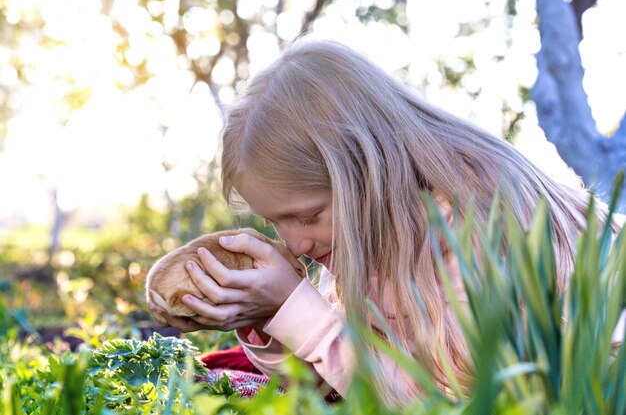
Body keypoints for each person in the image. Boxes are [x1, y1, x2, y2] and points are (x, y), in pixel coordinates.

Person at [148, 39, 618, 406]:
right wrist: (271, 319)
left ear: (369, 171)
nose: (295, 243)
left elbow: (438, 401)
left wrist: (298, 312)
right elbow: (331, 381)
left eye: (308, 215)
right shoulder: (378, 229)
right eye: (275, 222)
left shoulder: (474, 222)